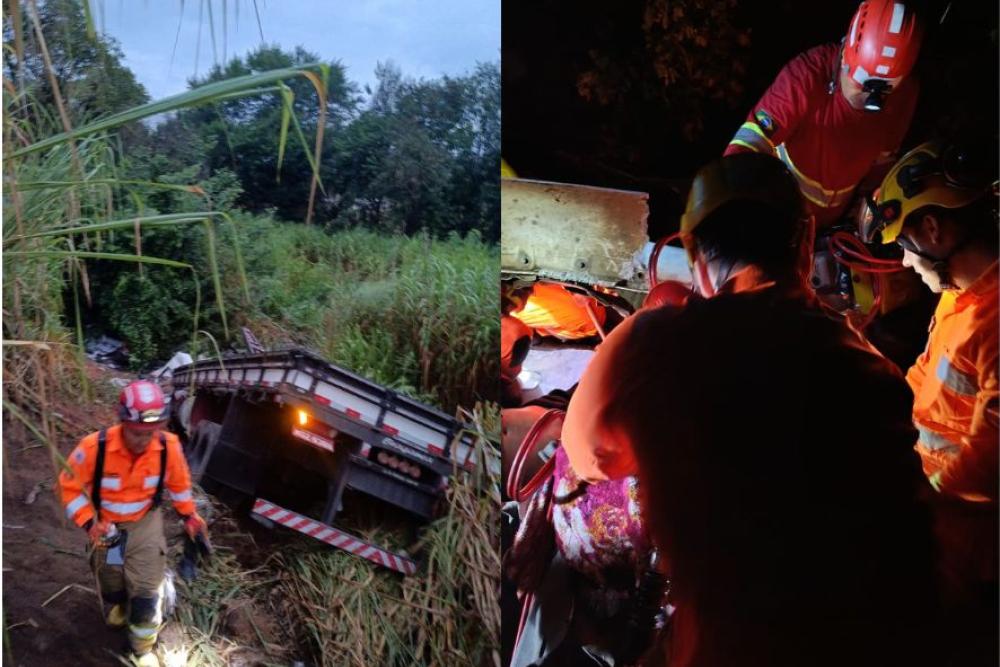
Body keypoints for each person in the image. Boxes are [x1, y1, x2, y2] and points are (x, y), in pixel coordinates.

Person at [561, 153, 941, 666]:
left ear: (697, 264)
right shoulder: (875, 372)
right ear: (807, 244)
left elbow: (588, 456)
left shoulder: (657, 347)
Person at [870, 141, 998, 664]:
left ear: (932, 231)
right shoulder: (958, 298)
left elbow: (990, 462)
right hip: (929, 514)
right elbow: (924, 375)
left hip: (967, 551)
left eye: (903, 243)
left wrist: (916, 501)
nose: (903, 260)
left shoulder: (995, 322)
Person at [725, 0, 923, 227]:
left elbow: (883, 160)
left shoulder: (904, 95)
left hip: (835, 224)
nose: (864, 100)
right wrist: (727, 197)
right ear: (845, 57)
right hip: (782, 211)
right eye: (858, 83)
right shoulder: (807, 74)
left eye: (878, 95)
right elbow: (752, 138)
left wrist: (866, 209)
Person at [59, 380, 208, 667]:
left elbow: (179, 485)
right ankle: (116, 603)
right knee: (111, 576)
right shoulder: (94, 448)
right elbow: (69, 487)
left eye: (151, 432)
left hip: (144, 527)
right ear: (122, 421)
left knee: (145, 591)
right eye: (137, 433)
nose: (143, 441)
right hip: (110, 530)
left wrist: (189, 516)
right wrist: (90, 523)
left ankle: (142, 649)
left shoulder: (168, 447)